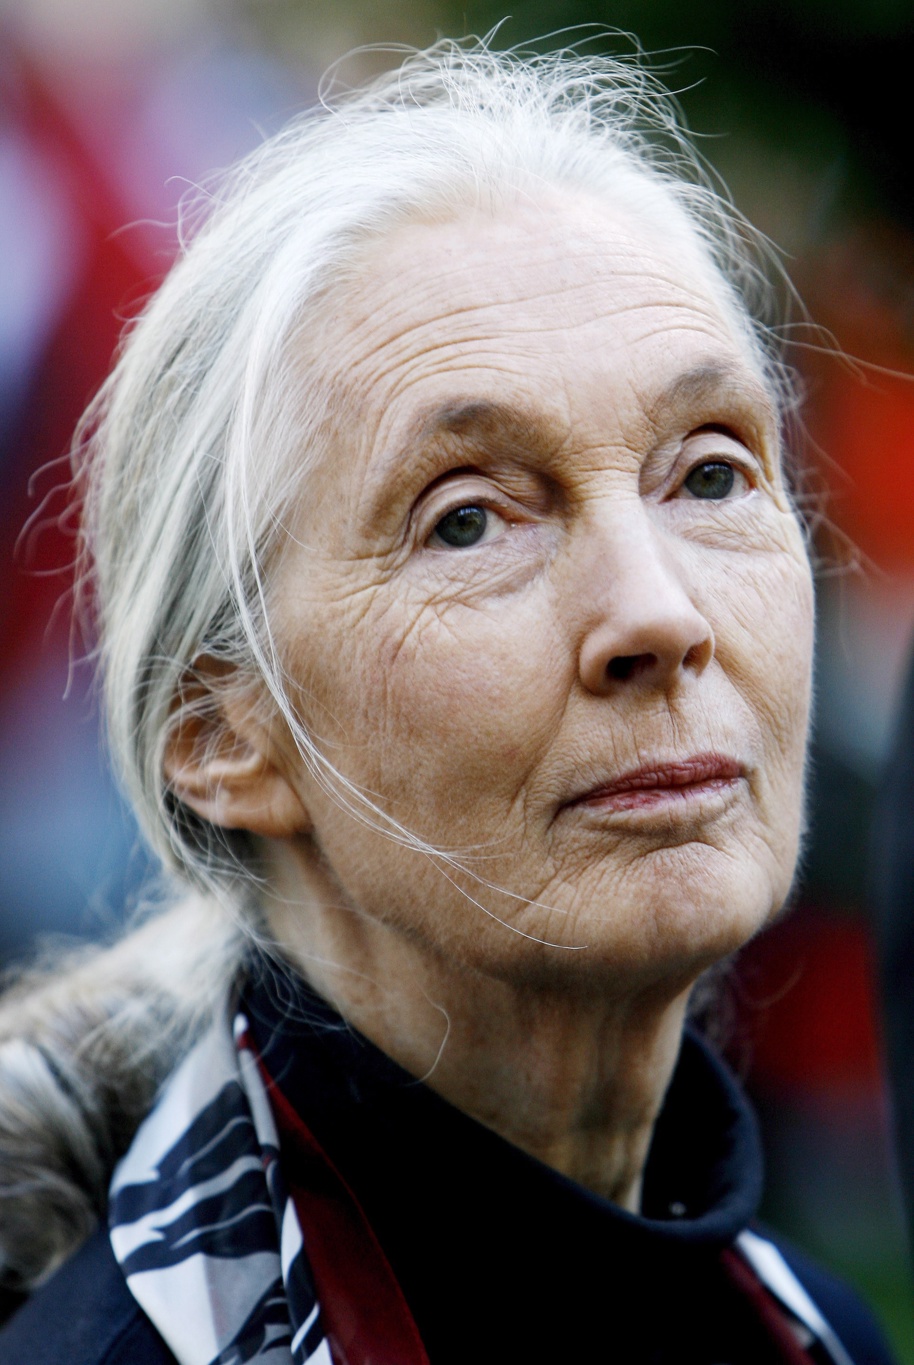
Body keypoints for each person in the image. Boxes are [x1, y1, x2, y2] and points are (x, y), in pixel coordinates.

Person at [0, 37, 896, 1365]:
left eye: (710, 474)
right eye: (467, 519)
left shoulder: (812, 1332)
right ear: (221, 731)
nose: (659, 613)